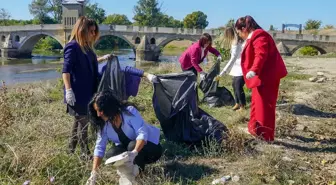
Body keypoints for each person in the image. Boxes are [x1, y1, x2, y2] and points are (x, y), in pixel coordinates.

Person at [62, 16, 158, 160]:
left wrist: (103, 58)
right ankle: (85, 153)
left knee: (79, 121)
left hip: (89, 92)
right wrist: (68, 90)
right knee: (83, 122)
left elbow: (91, 62)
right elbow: (66, 71)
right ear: (82, 30)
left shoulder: (87, 47)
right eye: (91, 31)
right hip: (77, 93)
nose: (94, 34)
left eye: (95, 31)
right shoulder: (73, 46)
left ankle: (70, 150)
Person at [86, 90, 162, 185]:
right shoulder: (104, 124)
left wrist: (134, 153)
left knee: (132, 146)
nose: (98, 114)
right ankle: (130, 173)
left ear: (109, 107)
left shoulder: (129, 112)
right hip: (129, 149)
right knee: (111, 154)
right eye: (96, 111)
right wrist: (94, 173)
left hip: (151, 148)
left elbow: (142, 133)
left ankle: (140, 176)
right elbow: (99, 147)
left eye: (100, 110)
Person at [235, 15, 287, 141]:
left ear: (243, 28)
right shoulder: (254, 36)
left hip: (267, 77)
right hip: (261, 78)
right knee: (256, 104)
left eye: (238, 32)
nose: (239, 35)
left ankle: (265, 136)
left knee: (265, 106)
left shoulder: (259, 35)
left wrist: (254, 69)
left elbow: (261, 54)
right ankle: (254, 129)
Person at [218, 27, 246, 111]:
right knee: (234, 84)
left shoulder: (236, 42)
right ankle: (237, 103)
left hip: (242, 68)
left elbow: (232, 59)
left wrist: (222, 72)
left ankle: (242, 106)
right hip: (238, 67)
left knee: (238, 86)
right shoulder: (237, 40)